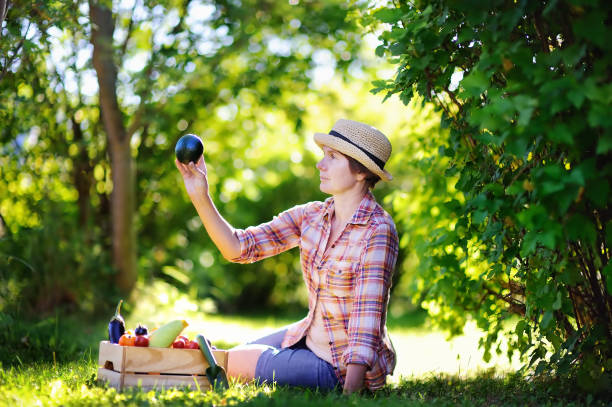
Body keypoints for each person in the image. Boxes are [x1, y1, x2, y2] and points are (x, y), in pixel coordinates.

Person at [176, 118, 398, 394]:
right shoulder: (312, 217)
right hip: (308, 335)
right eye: (323, 156)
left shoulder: (377, 230)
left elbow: (367, 324)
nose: (320, 164)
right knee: (226, 357)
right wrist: (200, 195)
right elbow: (239, 247)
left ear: (361, 172)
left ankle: (165, 371)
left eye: (332, 157)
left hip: (337, 367)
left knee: (225, 363)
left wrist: (350, 396)